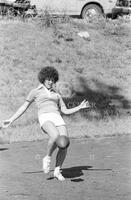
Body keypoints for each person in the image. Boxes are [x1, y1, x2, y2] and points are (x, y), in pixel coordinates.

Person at [1, 66, 90, 181]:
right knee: (55, 136)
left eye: (52, 79)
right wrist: (11, 119)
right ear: (43, 79)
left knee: (64, 143)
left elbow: (65, 110)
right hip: (45, 117)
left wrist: (79, 107)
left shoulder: (57, 94)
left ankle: (57, 171)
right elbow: (24, 107)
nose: (50, 81)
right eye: (48, 79)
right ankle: (47, 158)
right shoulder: (35, 92)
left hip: (58, 117)